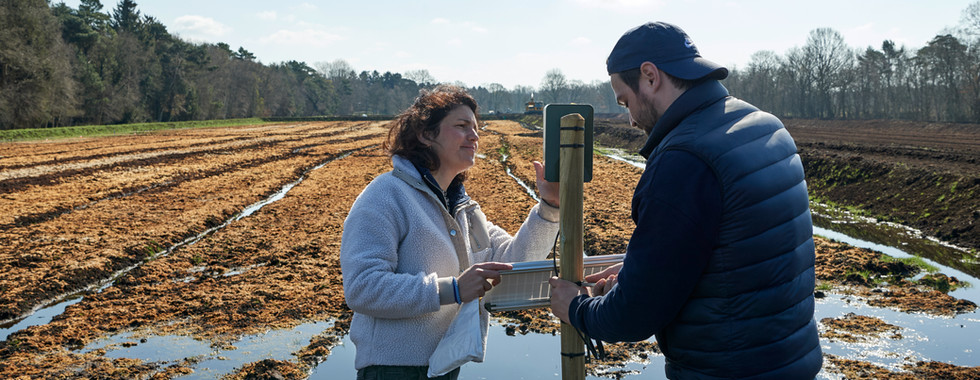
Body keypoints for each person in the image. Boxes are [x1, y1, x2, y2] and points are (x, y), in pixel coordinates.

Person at [549, 22, 823, 379]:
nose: (630, 119)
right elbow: (739, 250)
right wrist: (636, 271)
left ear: (650, 76)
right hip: (792, 360)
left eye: (626, 101)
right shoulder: (764, 125)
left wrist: (576, 307)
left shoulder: (684, 160)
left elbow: (633, 316)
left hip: (727, 370)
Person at [341, 84, 561, 380]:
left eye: (476, 128)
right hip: (392, 370)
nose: (475, 136)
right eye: (461, 126)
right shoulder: (385, 195)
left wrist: (550, 206)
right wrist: (453, 289)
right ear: (425, 134)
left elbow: (513, 262)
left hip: (444, 366)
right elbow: (363, 287)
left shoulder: (463, 209)